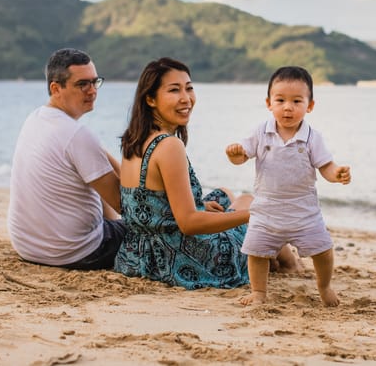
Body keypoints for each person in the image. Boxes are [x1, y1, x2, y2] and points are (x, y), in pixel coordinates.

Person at [113, 57, 297, 289]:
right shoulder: (169, 145)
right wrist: (254, 214)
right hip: (180, 260)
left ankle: (272, 258)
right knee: (251, 205)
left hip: (139, 255)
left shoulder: (135, 139)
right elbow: (189, 224)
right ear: (150, 99)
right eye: (174, 90)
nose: (186, 98)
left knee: (224, 194)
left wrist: (200, 206)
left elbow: (147, 201)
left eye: (189, 88)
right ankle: (290, 265)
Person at [226, 66, 351, 306]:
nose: (288, 107)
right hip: (266, 211)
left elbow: (325, 166)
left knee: (323, 250)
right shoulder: (261, 132)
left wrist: (337, 174)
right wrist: (235, 154)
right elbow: (242, 156)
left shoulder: (312, 137)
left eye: (297, 101)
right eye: (280, 100)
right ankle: (258, 291)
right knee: (256, 252)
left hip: (304, 212)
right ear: (269, 103)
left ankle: (324, 286)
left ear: (309, 106)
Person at [8, 48, 126, 270]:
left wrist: (99, 152)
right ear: (56, 88)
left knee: (94, 178)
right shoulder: (77, 135)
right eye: (82, 84)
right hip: (77, 252)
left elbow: (93, 158)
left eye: (95, 82)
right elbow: (125, 203)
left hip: (28, 247)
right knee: (156, 230)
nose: (92, 91)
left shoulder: (36, 119)